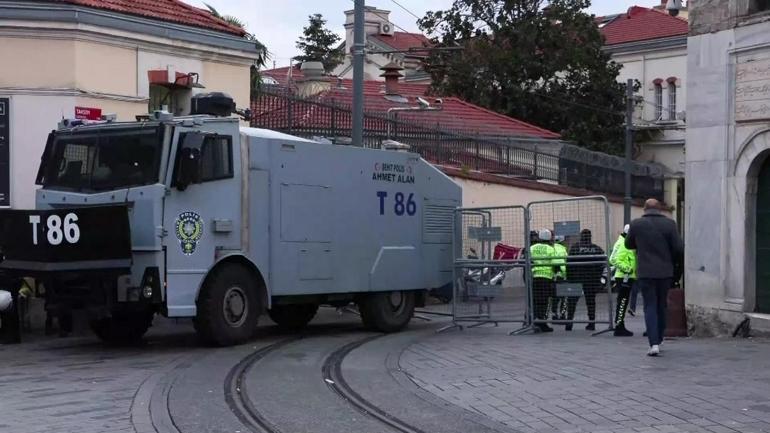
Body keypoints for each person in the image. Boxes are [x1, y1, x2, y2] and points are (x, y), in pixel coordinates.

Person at [625, 198, 684, 357]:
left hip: (645, 271)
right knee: (662, 305)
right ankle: (660, 336)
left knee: (649, 305)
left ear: (644, 209)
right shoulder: (670, 224)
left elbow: (628, 244)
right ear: (660, 209)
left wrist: (641, 244)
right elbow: (678, 248)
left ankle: (653, 343)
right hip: (665, 272)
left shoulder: (636, 224)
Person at [567, 229, 606, 331]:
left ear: (581, 236)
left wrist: (569, 278)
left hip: (576, 278)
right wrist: (599, 277)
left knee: (572, 302)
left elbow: (568, 264)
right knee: (591, 302)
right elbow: (603, 263)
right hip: (591, 280)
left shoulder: (575, 248)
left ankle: (569, 323)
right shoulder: (596, 249)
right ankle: (591, 323)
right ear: (590, 237)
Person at [610, 225, 636, 337]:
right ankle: (619, 326)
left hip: (624, 276)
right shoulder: (625, 243)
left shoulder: (621, 241)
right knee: (622, 302)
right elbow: (613, 259)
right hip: (625, 276)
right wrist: (627, 269)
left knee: (622, 302)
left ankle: (620, 325)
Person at [530, 229, 556, 333]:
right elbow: (555, 263)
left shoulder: (532, 248)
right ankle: (542, 322)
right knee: (544, 301)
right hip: (546, 278)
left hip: (535, 277)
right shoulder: (550, 249)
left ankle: (533, 320)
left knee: (535, 300)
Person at [551, 235, 568, 321]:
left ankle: (554, 314)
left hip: (553, 276)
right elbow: (566, 260)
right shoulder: (563, 249)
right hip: (562, 275)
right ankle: (563, 314)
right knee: (564, 297)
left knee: (554, 297)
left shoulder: (551, 248)